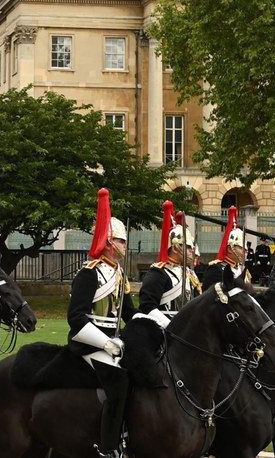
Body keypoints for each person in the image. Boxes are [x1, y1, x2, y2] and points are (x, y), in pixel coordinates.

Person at [67, 189, 135, 458]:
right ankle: (108, 448)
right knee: (118, 388)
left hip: (115, 344)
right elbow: (76, 317)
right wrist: (106, 342)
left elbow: (129, 312)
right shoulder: (89, 273)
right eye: (121, 240)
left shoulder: (120, 274)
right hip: (89, 344)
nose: (125, 245)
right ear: (108, 242)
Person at [137, 202, 200, 327]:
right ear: (175, 248)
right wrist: (172, 327)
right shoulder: (158, 272)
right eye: (187, 247)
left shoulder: (189, 273)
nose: (191, 250)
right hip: (164, 330)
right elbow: (147, 306)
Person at [202, 205, 250, 290]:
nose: (246, 252)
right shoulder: (216, 269)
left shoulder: (242, 270)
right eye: (241, 248)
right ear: (230, 249)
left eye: (246, 249)